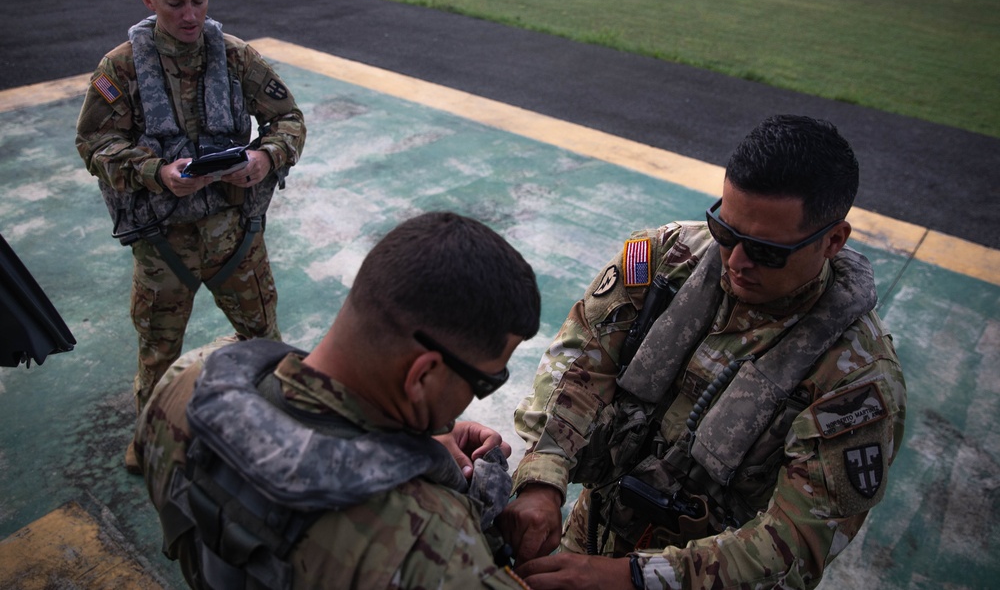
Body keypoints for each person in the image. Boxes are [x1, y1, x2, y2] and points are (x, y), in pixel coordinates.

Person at [501, 115, 907, 589]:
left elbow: (794, 546)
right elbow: (581, 366)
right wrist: (542, 479)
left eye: (767, 251)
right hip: (590, 541)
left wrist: (634, 578)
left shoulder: (857, 383)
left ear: (833, 241)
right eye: (726, 231)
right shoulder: (661, 261)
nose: (736, 262)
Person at [134, 211, 542, 589]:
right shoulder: (434, 544)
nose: (478, 394)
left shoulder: (188, 381)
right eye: (486, 380)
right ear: (423, 374)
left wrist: (412, 442)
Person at [75, 0, 306, 473]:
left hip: (235, 236)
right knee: (158, 353)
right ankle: (150, 447)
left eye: (198, 1)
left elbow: (289, 118)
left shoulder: (236, 57)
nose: (190, 15)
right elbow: (94, 143)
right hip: (162, 243)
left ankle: (267, 435)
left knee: (263, 342)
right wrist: (154, 173)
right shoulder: (121, 67)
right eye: (175, 3)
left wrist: (264, 158)